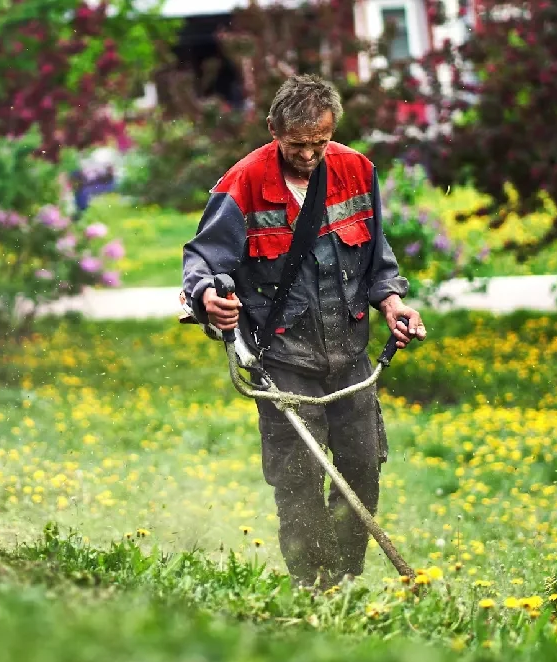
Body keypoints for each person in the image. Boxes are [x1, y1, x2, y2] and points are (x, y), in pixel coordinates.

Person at [181, 74, 426, 588]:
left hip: (350, 355)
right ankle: (314, 587)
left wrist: (394, 303)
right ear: (274, 129)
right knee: (298, 481)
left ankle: (344, 577)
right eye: (297, 144)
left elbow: (378, 259)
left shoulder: (357, 171)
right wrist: (210, 299)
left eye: (320, 142)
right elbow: (204, 260)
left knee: (361, 468)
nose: (310, 154)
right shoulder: (243, 183)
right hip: (283, 362)